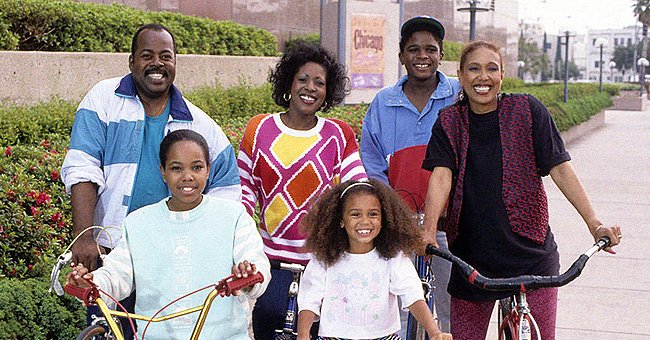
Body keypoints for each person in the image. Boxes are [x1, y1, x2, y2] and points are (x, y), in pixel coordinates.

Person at [421, 40, 622, 339]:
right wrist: (427, 230)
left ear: (503, 74)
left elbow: (560, 168)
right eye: (474, 69)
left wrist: (594, 223)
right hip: (471, 257)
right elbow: (441, 176)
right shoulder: (449, 122)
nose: (483, 77)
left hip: (532, 254)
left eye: (492, 69)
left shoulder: (528, 110)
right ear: (461, 76)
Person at [60, 23, 241, 337]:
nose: (157, 63)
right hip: (109, 253)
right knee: (107, 329)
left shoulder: (199, 124)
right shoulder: (103, 99)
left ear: (174, 63)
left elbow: (227, 190)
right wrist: (84, 236)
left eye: (165, 56)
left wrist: (215, 249)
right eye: (147, 55)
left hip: (171, 260)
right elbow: (82, 167)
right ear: (132, 62)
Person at [66, 129, 270, 339]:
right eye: (176, 168)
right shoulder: (138, 223)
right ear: (163, 171)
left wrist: (248, 276)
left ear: (208, 170)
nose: (188, 177)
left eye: (197, 167)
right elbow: (117, 274)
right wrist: (92, 283)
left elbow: (257, 265)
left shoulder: (233, 215)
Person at [237, 42, 367, 339]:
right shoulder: (258, 129)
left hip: (323, 265)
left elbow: (358, 191)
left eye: (319, 82)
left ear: (327, 91)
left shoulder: (338, 135)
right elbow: (243, 192)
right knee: (268, 328)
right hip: (270, 264)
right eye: (303, 79)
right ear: (289, 83)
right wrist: (243, 247)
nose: (310, 88)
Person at [360, 15, 461, 333]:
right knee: (400, 309)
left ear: (441, 55)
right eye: (414, 49)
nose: (422, 56)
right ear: (401, 55)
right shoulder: (383, 103)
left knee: (449, 312)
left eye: (430, 49)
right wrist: (393, 212)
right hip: (398, 225)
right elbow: (372, 164)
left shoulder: (458, 95)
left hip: (450, 226)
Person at [295, 179, 452, 340]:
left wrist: (434, 332)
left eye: (373, 214)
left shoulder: (393, 256)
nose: (364, 221)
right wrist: (303, 335)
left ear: (384, 219)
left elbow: (412, 294)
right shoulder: (325, 257)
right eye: (355, 214)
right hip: (333, 337)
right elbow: (309, 299)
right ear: (341, 220)